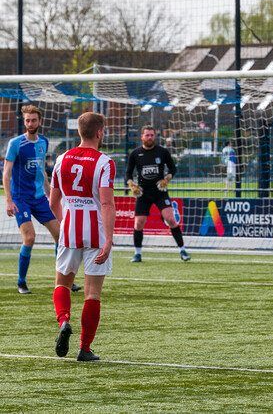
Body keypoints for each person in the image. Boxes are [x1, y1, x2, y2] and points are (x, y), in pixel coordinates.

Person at [49, 112, 116, 361]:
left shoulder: (61, 159)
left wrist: (64, 223)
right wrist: (108, 240)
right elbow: (107, 204)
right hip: (95, 231)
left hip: (69, 228)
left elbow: (53, 201)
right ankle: (84, 348)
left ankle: (64, 321)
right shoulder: (104, 162)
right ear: (99, 132)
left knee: (62, 284)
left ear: (79, 132)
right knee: (92, 294)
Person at [3, 105, 62, 294]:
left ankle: (61, 280)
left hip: (39, 198)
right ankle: (21, 282)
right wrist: (9, 200)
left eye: (33, 120)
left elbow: (41, 172)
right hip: (21, 199)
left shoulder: (43, 142)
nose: (30, 123)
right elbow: (6, 174)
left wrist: (50, 194)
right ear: (24, 121)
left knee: (60, 237)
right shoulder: (15, 143)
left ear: (40, 121)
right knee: (29, 238)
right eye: (27, 120)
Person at [125, 126, 190, 262]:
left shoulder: (162, 152)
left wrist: (167, 178)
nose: (150, 137)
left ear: (155, 136)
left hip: (160, 192)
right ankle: (137, 253)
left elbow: (173, 168)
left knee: (171, 219)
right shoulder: (135, 153)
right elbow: (128, 173)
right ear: (142, 137)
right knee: (138, 224)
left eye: (152, 135)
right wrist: (131, 185)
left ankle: (183, 250)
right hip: (143, 193)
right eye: (147, 135)